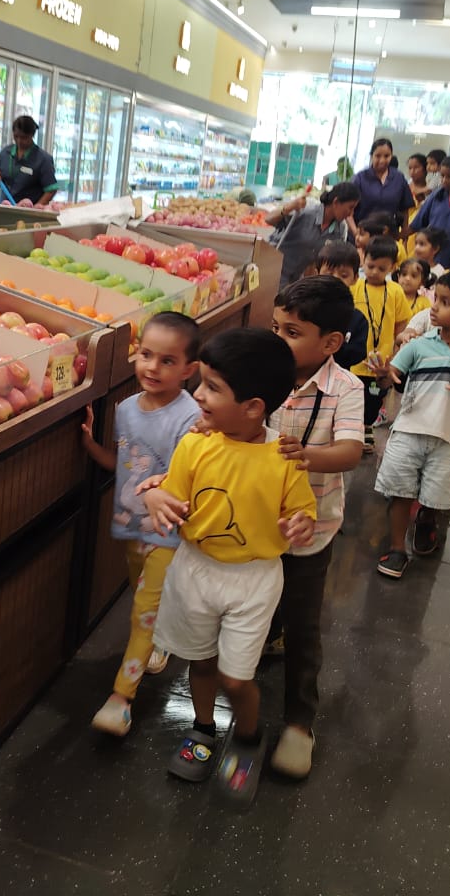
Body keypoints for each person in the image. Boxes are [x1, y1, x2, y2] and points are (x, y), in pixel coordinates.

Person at [142, 328, 316, 802]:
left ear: (254, 407)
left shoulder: (283, 456)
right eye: (202, 382)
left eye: (213, 387)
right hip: (195, 569)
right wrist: (157, 499)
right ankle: (202, 729)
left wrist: (301, 522)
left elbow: (302, 509)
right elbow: (172, 494)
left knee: (237, 676)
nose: (197, 394)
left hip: (253, 579)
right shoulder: (195, 445)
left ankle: (248, 737)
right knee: (200, 661)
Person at [81, 313, 201, 737]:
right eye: (146, 355)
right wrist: (90, 445)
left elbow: (190, 478)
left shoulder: (190, 417)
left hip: (168, 533)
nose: (153, 367)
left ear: (188, 369)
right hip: (131, 526)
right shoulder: (127, 409)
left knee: (143, 614)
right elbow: (124, 463)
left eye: (168, 361)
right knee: (143, 599)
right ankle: (160, 641)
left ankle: (121, 698)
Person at [265, 277, 365, 777]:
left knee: (304, 623)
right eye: (275, 328)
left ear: (330, 343)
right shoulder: (261, 370)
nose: (278, 339)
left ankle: (299, 721)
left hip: (312, 527)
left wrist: (306, 455)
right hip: (256, 521)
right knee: (253, 604)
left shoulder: (346, 388)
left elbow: (350, 451)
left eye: (292, 332)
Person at [367, 268, 450, 579]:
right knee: (400, 492)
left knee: (436, 496)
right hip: (408, 432)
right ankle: (397, 548)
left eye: (445, 302)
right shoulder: (420, 344)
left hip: (447, 441)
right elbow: (391, 377)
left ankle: (427, 520)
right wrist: (383, 374)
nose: (434, 307)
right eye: (435, 298)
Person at [349, 236, 411, 452]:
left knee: (374, 399)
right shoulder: (355, 287)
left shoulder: (395, 291)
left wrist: (397, 352)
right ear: (363, 261)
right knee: (351, 396)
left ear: (392, 267)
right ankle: (350, 432)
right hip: (355, 359)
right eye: (370, 266)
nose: (374, 272)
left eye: (381, 268)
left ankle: (367, 428)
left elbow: (401, 323)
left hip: (381, 363)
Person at [267, 183, 361, 289]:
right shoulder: (305, 211)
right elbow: (268, 219)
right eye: (350, 208)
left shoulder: (341, 229)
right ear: (336, 202)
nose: (351, 214)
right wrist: (288, 208)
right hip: (270, 269)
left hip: (294, 279)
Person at [306, 240, 369, 370]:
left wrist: (331, 346)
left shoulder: (358, 319)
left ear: (355, 278)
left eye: (343, 275)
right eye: (329, 274)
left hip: (338, 377)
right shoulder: (305, 309)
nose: (335, 279)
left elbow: (358, 353)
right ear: (317, 273)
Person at [0, 115, 59, 206]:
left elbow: (51, 190)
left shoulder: (43, 160)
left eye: (24, 137)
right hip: (5, 207)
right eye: (16, 136)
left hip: (28, 211)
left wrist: (36, 208)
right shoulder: (5, 153)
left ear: (32, 135)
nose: (19, 141)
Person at [352, 139, 415, 232]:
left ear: (391, 156)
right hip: (363, 233)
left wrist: (404, 230)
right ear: (371, 156)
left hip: (389, 234)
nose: (382, 160)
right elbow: (348, 210)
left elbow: (404, 209)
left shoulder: (399, 178)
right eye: (377, 156)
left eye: (386, 156)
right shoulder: (360, 178)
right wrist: (355, 232)